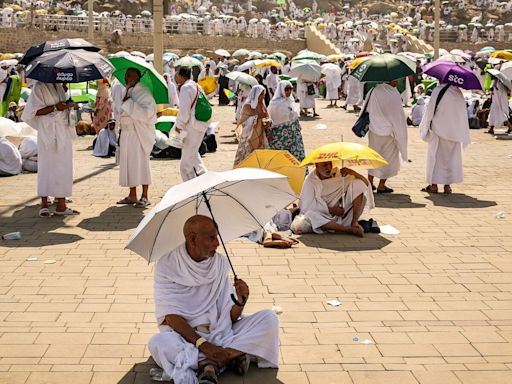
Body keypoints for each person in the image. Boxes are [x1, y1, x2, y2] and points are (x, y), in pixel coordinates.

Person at [148, 215, 279, 384]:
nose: (217, 243)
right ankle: (226, 358)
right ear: (193, 239)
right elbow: (170, 318)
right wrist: (204, 345)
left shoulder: (218, 264)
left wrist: (241, 300)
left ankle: (210, 364)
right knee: (158, 342)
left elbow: (230, 317)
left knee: (269, 319)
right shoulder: (167, 265)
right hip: (186, 337)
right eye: (211, 238)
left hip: (221, 332)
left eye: (217, 237)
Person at [21, 81, 79, 217]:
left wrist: (67, 103)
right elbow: (32, 112)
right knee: (46, 166)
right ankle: (44, 203)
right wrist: (55, 107)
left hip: (62, 130)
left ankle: (61, 204)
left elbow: (61, 107)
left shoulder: (59, 86)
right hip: (47, 132)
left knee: (63, 167)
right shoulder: (39, 86)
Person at [299, 161, 374, 237]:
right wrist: (331, 210)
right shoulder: (310, 180)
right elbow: (307, 207)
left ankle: (354, 223)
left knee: (358, 184)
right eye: (325, 165)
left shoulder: (338, 174)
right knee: (310, 215)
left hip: (341, 216)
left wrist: (352, 172)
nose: (328, 167)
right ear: (317, 165)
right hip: (321, 216)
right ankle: (349, 229)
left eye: (330, 164)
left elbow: (365, 183)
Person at [420, 84, 471, 194]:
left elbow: (429, 111)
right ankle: (447, 186)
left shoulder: (437, 91)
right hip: (454, 132)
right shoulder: (458, 93)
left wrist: (425, 128)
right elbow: (462, 113)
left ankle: (433, 186)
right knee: (450, 159)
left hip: (438, 131)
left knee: (435, 158)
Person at [116, 68, 157, 208]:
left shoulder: (144, 92)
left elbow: (148, 113)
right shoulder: (127, 90)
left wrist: (129, 104)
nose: (126, 78)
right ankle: (132, 194)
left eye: (129, 75)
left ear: (136, 77)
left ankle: (145, 196)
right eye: (125, 75)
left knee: (141, 164)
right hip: (126, 133)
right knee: (128, 164)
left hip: (138, 134)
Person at [364, 81, 408, 193]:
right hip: (389, 132)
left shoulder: (374, 91)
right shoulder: (394, 93)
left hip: (374, 129)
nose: (397, 82)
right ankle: (381, 185)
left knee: (373, 155)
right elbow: (397, 115)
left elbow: (367, 109)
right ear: (391, 80)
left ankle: (369, 182)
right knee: (388, 158)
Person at [174, 67, 209, 181]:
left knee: (186, 163)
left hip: (191, 127)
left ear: (180, 76)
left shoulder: (185, 88)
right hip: (200, 125)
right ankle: (206, 180)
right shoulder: (196, 85)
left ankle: (191, 187)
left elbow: (184, 113)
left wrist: (178, 126)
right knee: (194, 156)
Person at [267, 80, 305, 161]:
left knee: (297, 157)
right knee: (281, 159)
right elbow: (270, 119)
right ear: (281, 89)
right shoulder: (274, 104)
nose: (289, 91)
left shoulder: (291, 101)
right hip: (280, 136)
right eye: (286, 89)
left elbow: (294, 117)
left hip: (294, 135)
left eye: (291, 89)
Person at [233, 85, 270, 166]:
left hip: (260, 133)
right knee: (247, 154)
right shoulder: (247, 106)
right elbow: (243, 121)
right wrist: (257, 118)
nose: (262, 96)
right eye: (261, 94)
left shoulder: (262, 105)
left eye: (263, 94)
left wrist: (266, 121)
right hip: (248, 134)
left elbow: (267, 116)